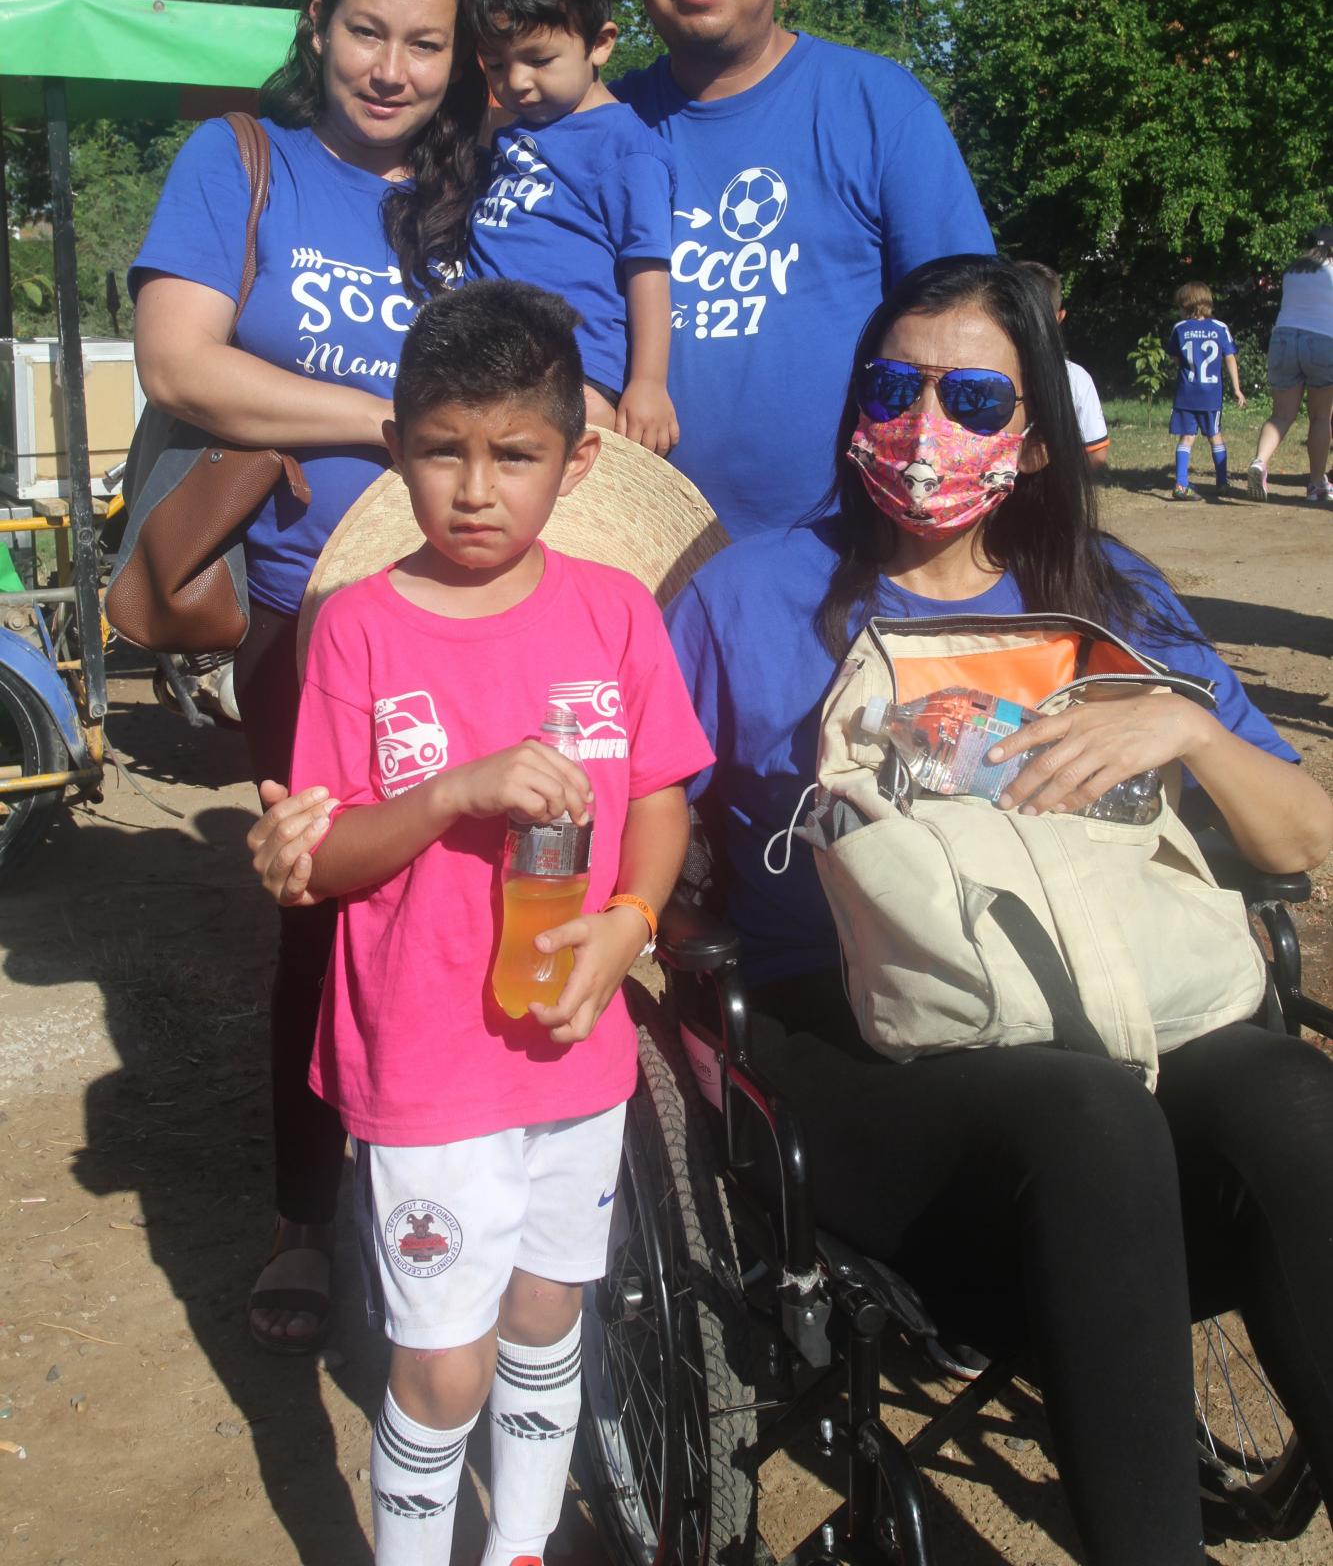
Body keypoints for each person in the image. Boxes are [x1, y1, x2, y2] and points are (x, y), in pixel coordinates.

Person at [662, 256, 1333, 1565]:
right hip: (853, 1033)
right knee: (1085, 1116)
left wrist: (1184, 725)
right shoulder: (743, 600)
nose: (927, 432)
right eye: (894, 388)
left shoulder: (1110, 595)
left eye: (974, 398)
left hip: (1109, 984)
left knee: (1290, 1099)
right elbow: (648, 824)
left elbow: (1301, 836)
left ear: (1033, 439)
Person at [281, 280, 710, 1565]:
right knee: (446, 1365)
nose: (475, 488)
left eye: (512, 454)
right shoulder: (356, 629)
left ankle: (520, 1544)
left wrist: (629, 922)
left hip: (574, 1051)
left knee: (545, 1313)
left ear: (574, 461)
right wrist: (450, 790)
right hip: (423, 1061)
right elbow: (326, 860)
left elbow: (662, 799)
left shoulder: (613, 613)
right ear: (397, 448)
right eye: (440, 451)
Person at [130, 0, 487, 1353]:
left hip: (473, 607)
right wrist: (381, 423)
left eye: (423, 41)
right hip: (308, 612)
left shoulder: (480, 202)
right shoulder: (238, 163)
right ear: (316, 24)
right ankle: (305, 1215)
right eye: (365, 30)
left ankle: (468, 1179)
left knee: (479, 887)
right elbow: (180, 361)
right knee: (331, 907)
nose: (389, 66)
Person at [611, 0, 994, 537]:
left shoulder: (877, 107)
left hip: (842, 556)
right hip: (632, 564)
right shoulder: (595, 132)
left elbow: (971, 339)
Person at [465, 0, 678, 454]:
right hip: (484, 361)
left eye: (538, 59)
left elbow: (647, 269)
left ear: (600, 44)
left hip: (570, 372)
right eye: (495, 63)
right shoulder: (515, 132)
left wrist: (647, 383)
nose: (515, 81)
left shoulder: (624, 147)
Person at [1247, 234, 1333, 505]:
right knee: (1321, 417)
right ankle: (1317, 483)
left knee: (1281, 414)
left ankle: (1260, 462)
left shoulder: (1293, 269)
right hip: (1322, 340)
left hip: (1283, 338)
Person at [1014, 259, 1109, 468]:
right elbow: (1097, 453)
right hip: (1051, 495)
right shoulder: (1075, 377)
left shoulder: (977, 371)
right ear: (1059, 317)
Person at [1166, 280, 1246, 500]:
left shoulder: (1179, 329)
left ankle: (1181, 485)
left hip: (1186, 394)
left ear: (1186, 305)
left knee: (1186, 438)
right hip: (1211, 396)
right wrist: (1237, 389)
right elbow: (1229, 357)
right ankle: (1221, 483)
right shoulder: (1219, 328)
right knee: (1215, 436)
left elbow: (1175, 358)